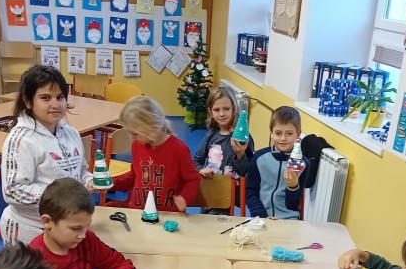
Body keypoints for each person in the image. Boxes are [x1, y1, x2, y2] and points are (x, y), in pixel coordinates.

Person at [0, 65, 95, 245]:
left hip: (65, 226)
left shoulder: (71, 133)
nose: (55, 104)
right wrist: (60, 196)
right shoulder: (21, 140)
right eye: (45, 98)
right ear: (28, 102)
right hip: (29, 228)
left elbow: (81, 170)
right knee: (32, 266)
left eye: (60, 97)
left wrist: (89, 180)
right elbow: (12, 191)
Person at [112, 95, 199, 212]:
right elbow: (135, 175)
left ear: (150, 127)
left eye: (135, 133)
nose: (132, 137)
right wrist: (110, 183)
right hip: (139, 213)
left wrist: (184, 198)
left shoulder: (179, 149)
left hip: (168, 215)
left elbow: (192, 180)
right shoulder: (137, 145)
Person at [193, 85, 254, 214]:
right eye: (216, 110)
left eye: (226, 109)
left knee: (217, 222)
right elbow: (195, 161)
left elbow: (248, 172)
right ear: (210, 112)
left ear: (234, 109)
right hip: (210, 191)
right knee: (205, 222)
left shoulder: (243, 138)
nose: (221, 114)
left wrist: (240, 155)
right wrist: (202, 170)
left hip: (228, 197)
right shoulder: (211, 135)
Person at [246, 106, 308, 219]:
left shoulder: (303, 164)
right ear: (271, 133)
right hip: (261, 217)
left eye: (289, 133)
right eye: (278, 133)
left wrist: (292, 186)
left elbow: (293, 205)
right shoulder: (259, 158)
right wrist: (261, 216)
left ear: (298, 134)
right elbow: (251, 193)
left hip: (289, 220)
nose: (283, 138)